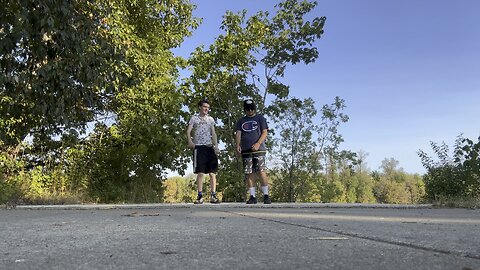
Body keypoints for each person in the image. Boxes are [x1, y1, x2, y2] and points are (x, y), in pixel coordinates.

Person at [235, 99, 271, 204]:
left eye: (252, 109)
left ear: (254, 108)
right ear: (245, 110)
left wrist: (258, 143)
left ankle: (266, 195)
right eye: (248, 109)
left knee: (261, 171)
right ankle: (252, 196)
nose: (250, 111)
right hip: (246, 150)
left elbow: (265, 132)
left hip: (259, 150)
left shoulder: (260, 118)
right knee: (249, 173)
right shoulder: (241, 121)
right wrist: (238, 145)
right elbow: (238, 133)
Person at [187, 99, 221, 204]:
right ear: (200, 107)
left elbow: (213, 133)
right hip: (199, 147)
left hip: (209, 147)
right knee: (200, 172)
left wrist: (216, 146)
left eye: (208, 107)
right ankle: (200, 196)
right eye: (204, 107)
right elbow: (188, 131)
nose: (206, 109)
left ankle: (213, 196)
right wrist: (190, 141)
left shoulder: (210, 119)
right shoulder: (194, 118)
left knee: (212, 173)